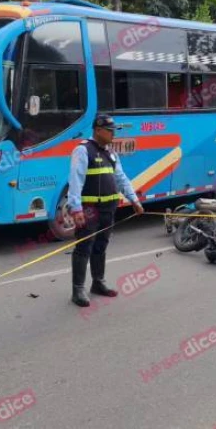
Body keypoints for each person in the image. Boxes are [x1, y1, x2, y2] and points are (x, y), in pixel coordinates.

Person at [66, 114, 145, 307]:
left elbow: (121, 178)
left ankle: (98, 282)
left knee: (101, 245)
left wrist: (134, 199)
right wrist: (75, 209)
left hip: (108, 208)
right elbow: (75, 181)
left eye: (113, 131)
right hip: (90, 209)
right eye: (110, 131)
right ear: (98, 130)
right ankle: (78, 289)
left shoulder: (111, 154)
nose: (113, 135)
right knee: (84, 247)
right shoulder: (83, 150)